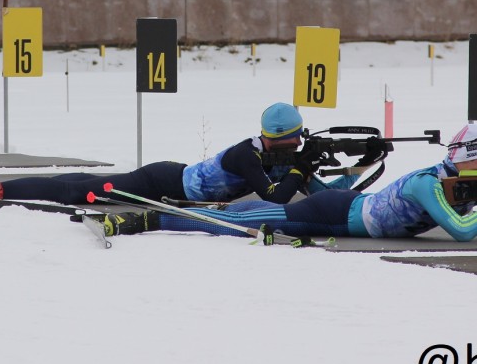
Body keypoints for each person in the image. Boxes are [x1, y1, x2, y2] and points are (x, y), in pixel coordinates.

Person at [99, 123, 477, 241]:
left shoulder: (455, 185)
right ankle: (150, 220)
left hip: (345, 205)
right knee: (242, 222)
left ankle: (184, 211)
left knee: (256, 212)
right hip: (335, 214)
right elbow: (461, 231)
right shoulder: (428, 184)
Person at [0, 102, 376, 206]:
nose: (299, 148)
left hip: (172, 179)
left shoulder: (278, 156)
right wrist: (300, 169)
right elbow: (276, 196)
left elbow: (312, 192)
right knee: (75, 189)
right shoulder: (247, 157)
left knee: (78, 186)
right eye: (295, 143)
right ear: (280, 139)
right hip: (159, 181)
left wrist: (359, 169)